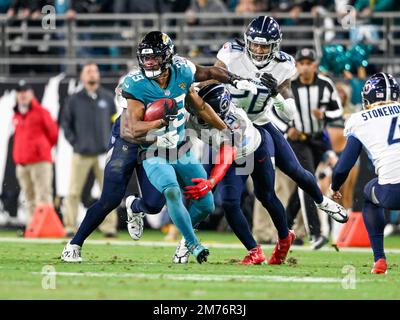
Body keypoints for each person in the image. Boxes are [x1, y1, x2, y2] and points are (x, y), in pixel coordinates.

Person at [61, 30, 257, 263]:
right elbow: (131, 129)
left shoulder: (182, 70)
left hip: (161, 143)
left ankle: (137, 208)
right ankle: (74, 244)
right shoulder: (134, 83)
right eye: (145, 58)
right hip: (131, 141)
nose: (149, 62)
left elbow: (208, 76)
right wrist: (161, 120)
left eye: (154, 57)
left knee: (155, 205)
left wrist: (236, 81)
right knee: (110, 199)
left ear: (168, 57)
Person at [212, 16, 349, 233]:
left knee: (295, 169)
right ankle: (187, 238)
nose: (258, 49)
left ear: (275, 46)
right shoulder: (231, 54)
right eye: (255, 43)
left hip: (261, 122)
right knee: (210, 181)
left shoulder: (284, 65)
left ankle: (323, 202)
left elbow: (288, 114)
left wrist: (276, 93)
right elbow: (211, 79)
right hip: (231, 126)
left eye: (264, 45)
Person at [173, 83, 295, 265]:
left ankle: (285, 239)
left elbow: (227, 154)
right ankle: (254, 251)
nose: (197, 109)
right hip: (231, 155)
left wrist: (212, 181)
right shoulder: (194, 109)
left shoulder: (235, 122)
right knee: (230, 203)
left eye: (203, 108)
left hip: (254, 150)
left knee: (266, 196)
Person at [331, 72, 400, 275]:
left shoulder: (360, 119)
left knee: (369, 192)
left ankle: (379, 259)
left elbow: (344, 165)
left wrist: (335, 186)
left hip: (391, 192)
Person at [285, 48, 344, 249]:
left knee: (303, 183)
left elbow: (338, 109)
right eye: (301, 63)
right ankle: (316, 233)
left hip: (318, 139)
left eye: (309, 63)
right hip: (298, 140)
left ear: (314, 65)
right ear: (297, 65)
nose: (305, 66)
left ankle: (283, 226)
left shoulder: (325, 84)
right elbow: (274, 108)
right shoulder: (289, 84)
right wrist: (287, 128)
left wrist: (324, 115)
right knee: (308, 179)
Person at [61, 63, 118, 238]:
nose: (92, 74)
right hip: (81, 153)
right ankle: (69, 226)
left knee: (108, 192)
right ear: (82, 77)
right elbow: (66, 125)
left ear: (99, 75)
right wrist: (76, 143)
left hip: (103, 154)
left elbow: (115, 123)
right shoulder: (74, 99)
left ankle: (109, 228)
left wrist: (110, 144)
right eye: (88, 71)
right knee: (73, 191)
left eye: (94, 71)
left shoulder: (107, 98)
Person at [12, 81, 59, 226]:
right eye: (20, 92)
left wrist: (40, 149)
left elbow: (53, 134)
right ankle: (34, 227)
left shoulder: (42, 112)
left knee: (43, 196)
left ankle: (46, 227)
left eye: (25, 91)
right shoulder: (17, 114)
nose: (22, 95)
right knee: (28, 197)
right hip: (22, 163)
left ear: (31, 94)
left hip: (40, 162)